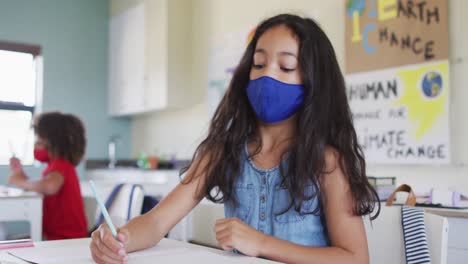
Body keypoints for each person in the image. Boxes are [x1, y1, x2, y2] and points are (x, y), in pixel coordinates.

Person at [90, 14, 380, 264]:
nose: (267, 75)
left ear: (314, 80)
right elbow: (156, 221)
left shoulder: (328, 161)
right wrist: (121, 239)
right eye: (258, 64)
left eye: (286, 67)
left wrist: (262, 244)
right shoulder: (222, 151)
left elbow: (355, 258)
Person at [8, 112, 88, 240]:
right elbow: (42, 185)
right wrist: (20, 173)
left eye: (39, 142)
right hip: (60, 236)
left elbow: (50, 186)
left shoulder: (60, 165)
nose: (35, 146)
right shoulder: (55, 166)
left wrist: (20, 181)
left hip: (67, 239)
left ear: (54, 143)